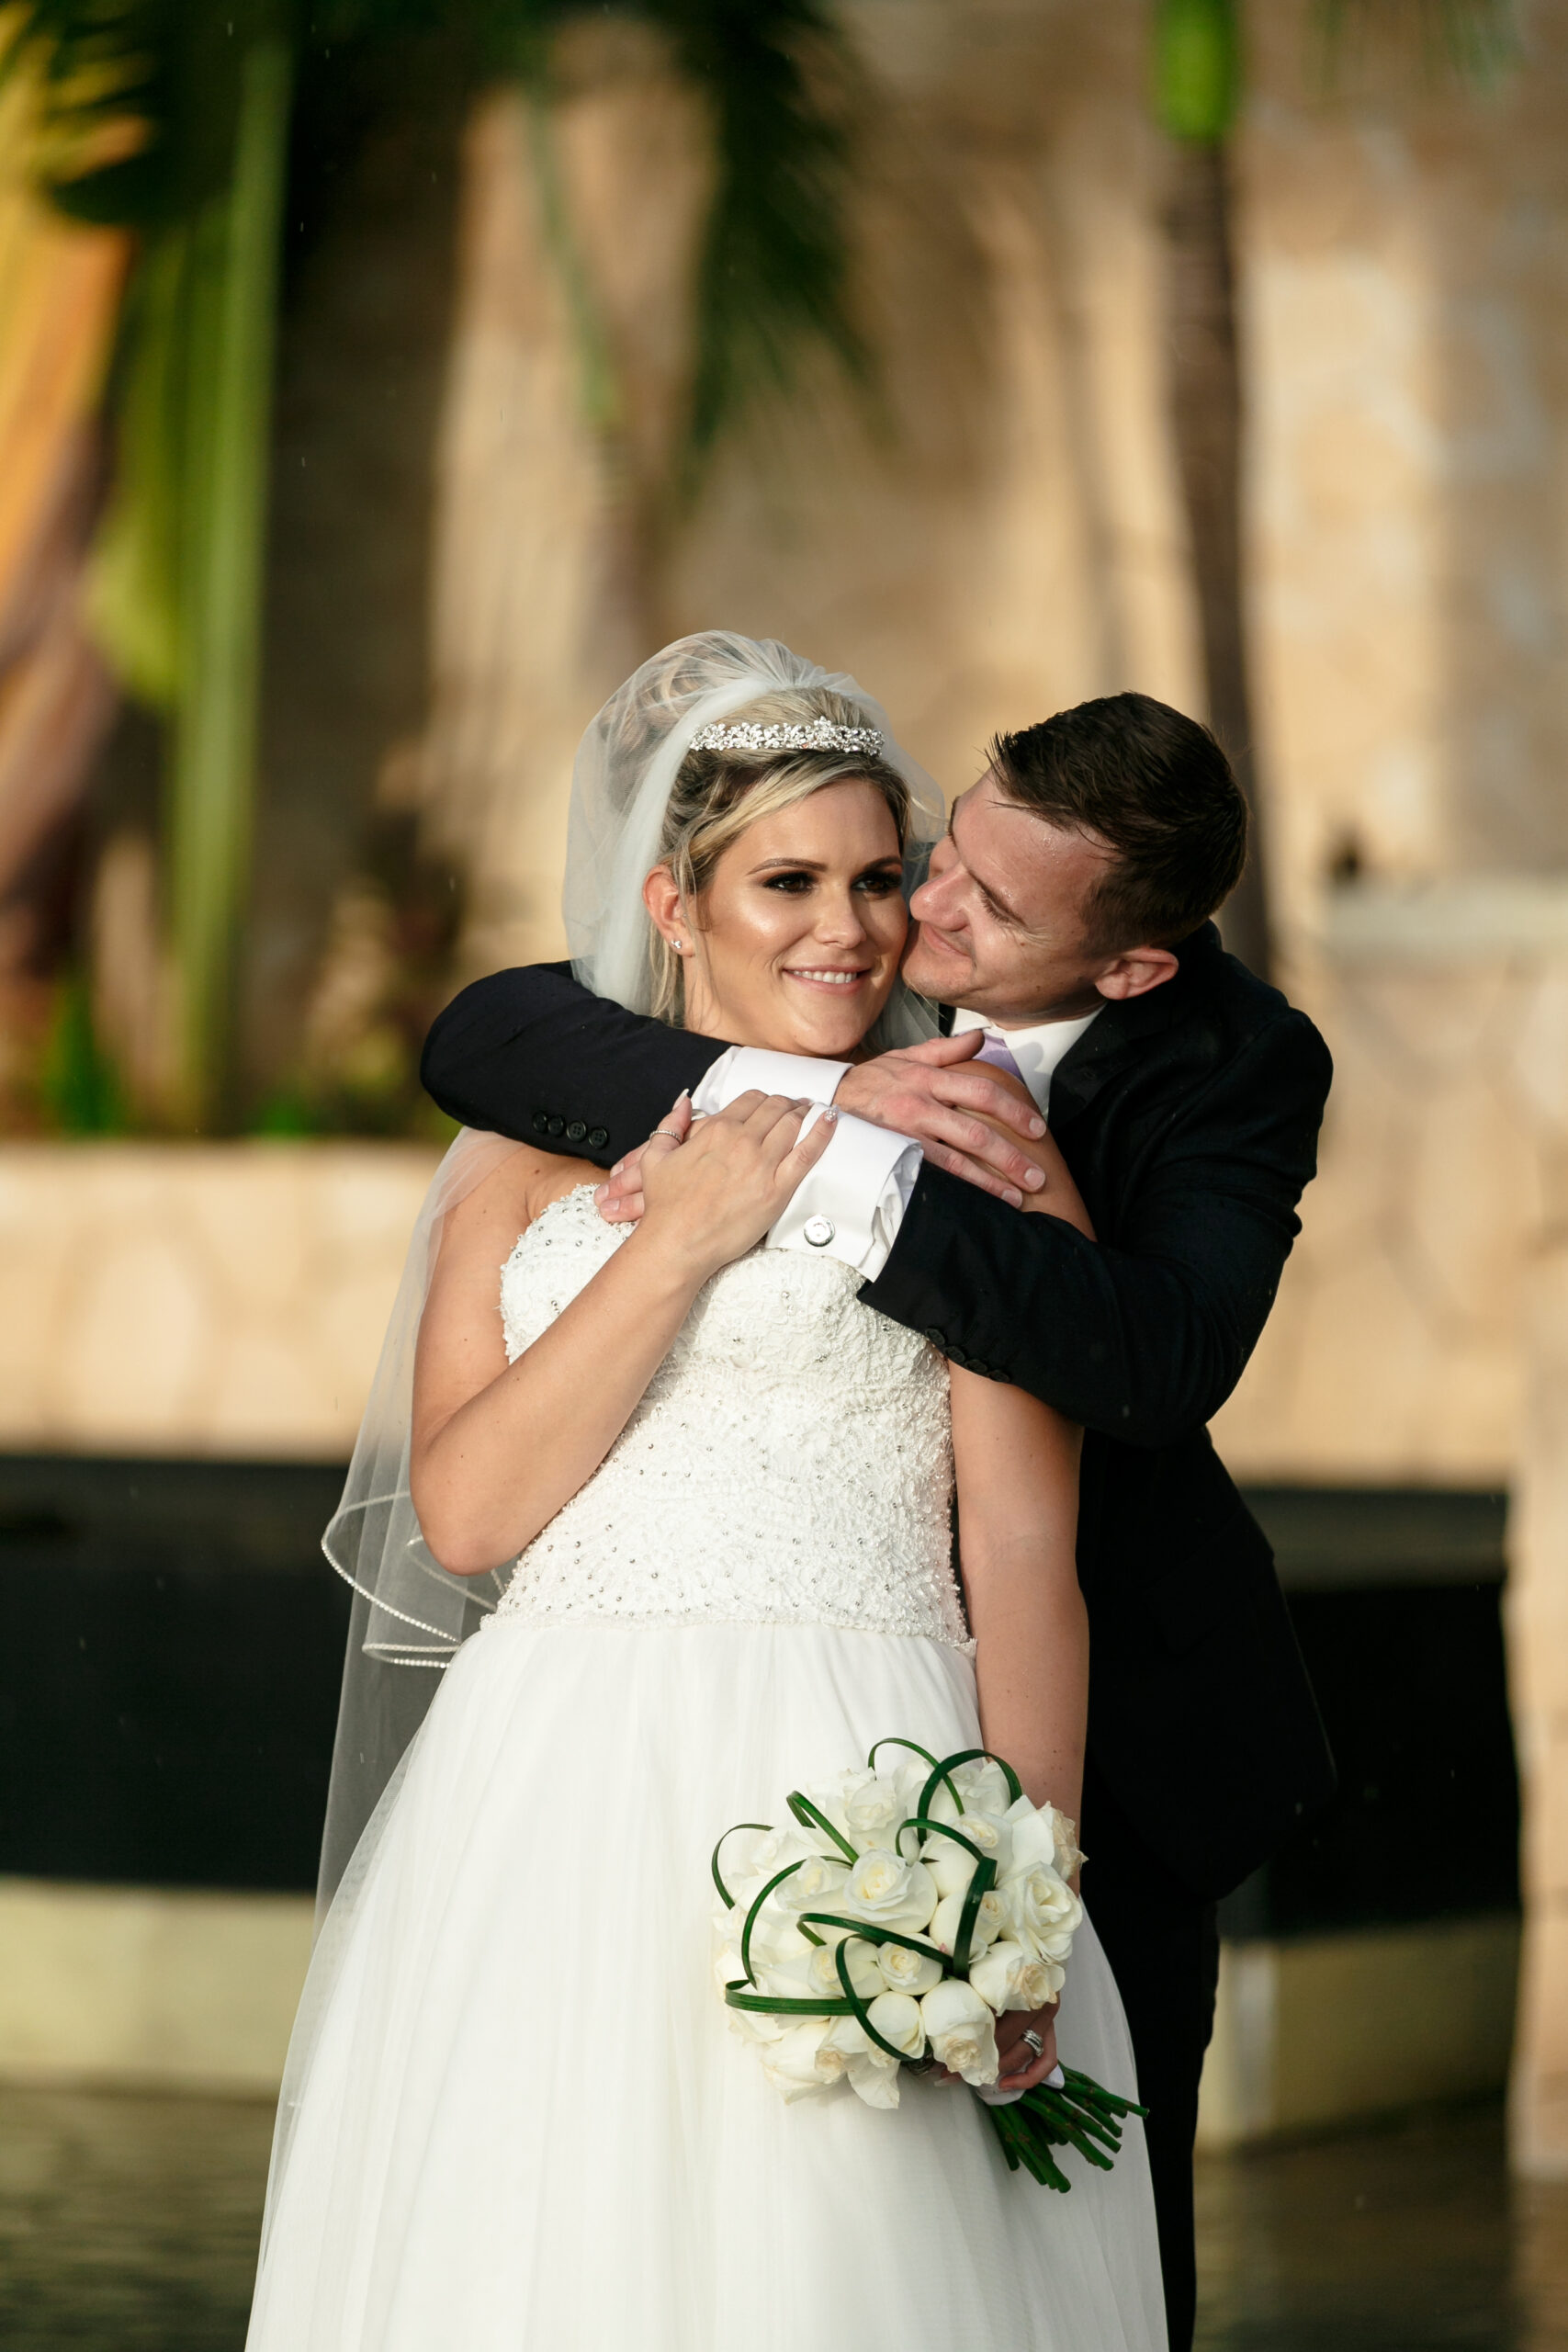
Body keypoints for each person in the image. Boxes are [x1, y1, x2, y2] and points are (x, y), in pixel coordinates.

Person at [247, 634, 1166, 2352]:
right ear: (674, 903)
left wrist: (1019, 1895)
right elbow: (466, 1521)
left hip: (869, 1772)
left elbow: (1028, 1552)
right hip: (552, 1801)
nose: (851, 927)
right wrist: (674, 1242)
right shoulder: (525, 1156)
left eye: (882, 877)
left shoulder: (979, 1150)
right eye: (788, 882)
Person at [421, 671, 1337, 2352]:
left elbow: (1140, 1372)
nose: (905, 916)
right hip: (582, 1759)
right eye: (936, 855)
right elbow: (477, 1032)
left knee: (1016, 2260)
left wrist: (1022, 1888)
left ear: (1129, 963)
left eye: (972, 901)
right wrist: (794, 1114)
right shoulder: (594, 1087)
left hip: (1040, 1733)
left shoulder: (1224, 1069)